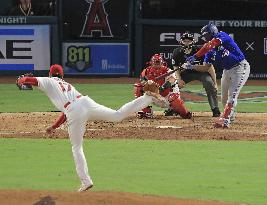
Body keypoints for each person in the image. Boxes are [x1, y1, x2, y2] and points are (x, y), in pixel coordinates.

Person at [16, 64, 161, 192]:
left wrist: (20, 80)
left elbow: (31, 81)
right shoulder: (67, 85)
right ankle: (147, 99)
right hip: (85, 102)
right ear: (62, 75)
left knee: (76, 147)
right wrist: (54, 126)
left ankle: (86, 182)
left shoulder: (48, 81)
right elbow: (68, 111)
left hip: (74, 109)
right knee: (117, 116)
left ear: (50, 74)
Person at [186, 23, 250, 128]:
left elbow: (210, 45)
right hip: (227, 70)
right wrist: (191, 67)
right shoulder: (209, 52)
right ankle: (230, 116)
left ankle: (225, 120)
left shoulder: (222, 35)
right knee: (224, 98)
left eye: (206, 35)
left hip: (240, 67)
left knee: (232, 95)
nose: (205, 37)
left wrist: (195, 56)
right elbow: (206, 67)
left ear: (212, 32)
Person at [168, 31, 220, 117]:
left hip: (201, 73)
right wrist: (179, 79)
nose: (187, 43)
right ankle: (173, 108)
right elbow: (175, 67)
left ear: (193, 42)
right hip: (186, 74)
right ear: (181, 42)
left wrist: (215, 82)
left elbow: (210, 67)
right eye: (185, 41)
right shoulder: (177, 52)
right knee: (174, 85)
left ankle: (215, 109)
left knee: (210, 83)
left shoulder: (201, 50)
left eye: (189, 41)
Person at [134, 54, 192, 119]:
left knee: (173, 97)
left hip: (167, 98)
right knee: (138, 88)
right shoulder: (146, 71)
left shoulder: (168, 71)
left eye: (158, 62)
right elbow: (142, 81)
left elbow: (171, 80)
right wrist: (150, 85)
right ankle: (147, 112)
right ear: (151, 63)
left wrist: (162, 87)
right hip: (154, 96)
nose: (157, 64)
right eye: (155, 62)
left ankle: (184, 113)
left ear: (162, 63)